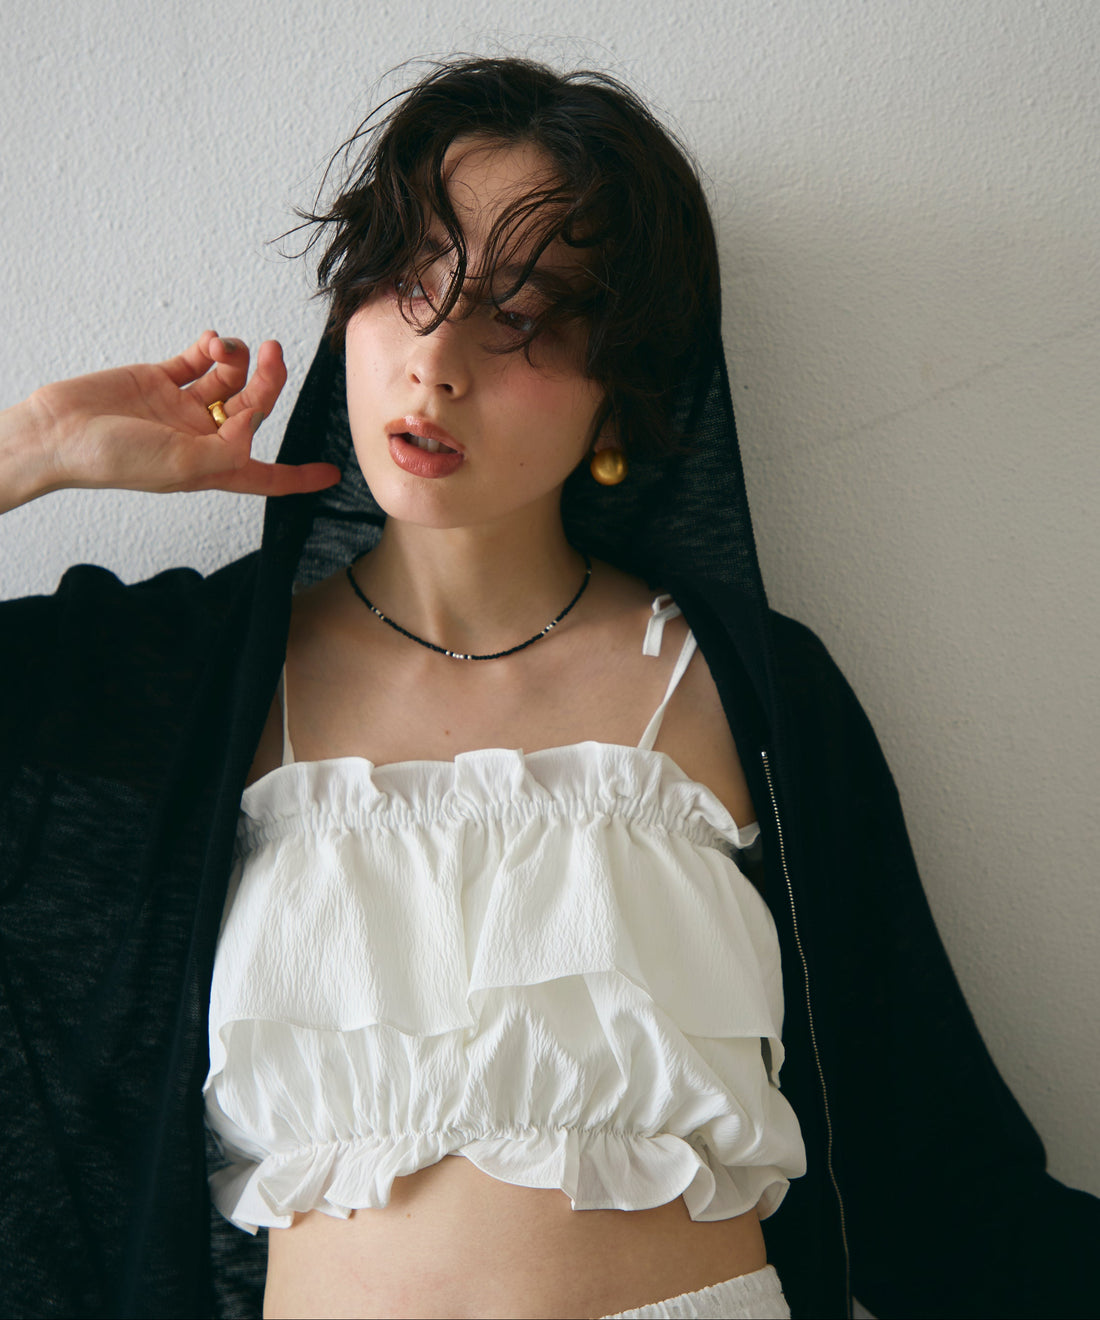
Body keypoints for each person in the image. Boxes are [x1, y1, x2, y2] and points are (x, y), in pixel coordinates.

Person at [0, 57, 1095, 1320]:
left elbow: (936, 1171)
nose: (436, 361)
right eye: (408, 282)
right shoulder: (178, 679)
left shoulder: (741, 687)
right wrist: (33, 451)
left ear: (620, 393)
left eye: (521, 316)